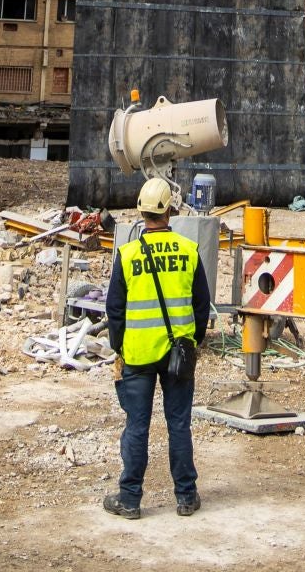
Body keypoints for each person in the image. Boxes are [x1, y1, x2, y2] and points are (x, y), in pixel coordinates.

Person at [103, 176, 211, 519]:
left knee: (137, 425)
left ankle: (130, 499)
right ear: (171, 210)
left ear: (140, 210)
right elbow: (202, 306)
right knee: (178, 424)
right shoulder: (188, 250)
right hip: (178, 354)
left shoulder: (128, 253)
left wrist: (119, 347)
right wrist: (191, 344)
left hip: (138, 353)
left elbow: (114, 309)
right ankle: (185, 496)